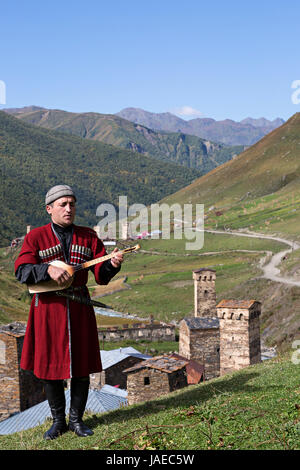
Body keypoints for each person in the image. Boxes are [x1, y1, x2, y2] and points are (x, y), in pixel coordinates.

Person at [15, 184, 124, 439]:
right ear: (49, 209)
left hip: (78, 306)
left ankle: (76, 421)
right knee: (50, 366)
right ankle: (58, 422)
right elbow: (22, 270)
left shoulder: (88, 237)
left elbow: (100, 276)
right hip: (47, 309)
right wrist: (47, 270)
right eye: (62, 204)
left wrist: (112, 265)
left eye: (72, 204)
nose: (68, 208)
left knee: (81, 366)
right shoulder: (36, 238)